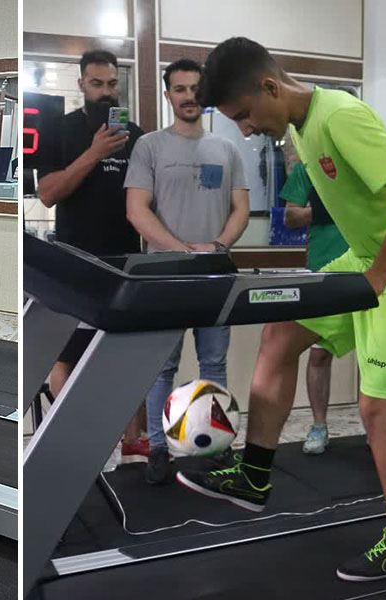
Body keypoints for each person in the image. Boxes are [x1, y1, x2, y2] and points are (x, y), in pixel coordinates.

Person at [176, 37, 386, 582]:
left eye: (245, 115)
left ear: (270, 87)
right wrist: (367, 266)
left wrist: (379, 274)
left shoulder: (340, 116)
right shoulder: (302, 127)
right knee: (281, 331)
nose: (246, 128)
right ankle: (254, 475)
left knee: (376, 409)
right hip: (369, 255)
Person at [125, 58, 250, 484]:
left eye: (196, 88)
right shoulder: (150, 148)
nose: (189, 96)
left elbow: (241, 209)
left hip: (215, 276)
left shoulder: (227, 149)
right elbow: (136, 210)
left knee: (214, 363)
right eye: (180, 89)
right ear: (168, 95)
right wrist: (181, 251)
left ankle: (216, 443)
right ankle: (159, 447)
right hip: (164, 276)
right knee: (162, 366)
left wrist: (215, 249)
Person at [36, 49, 148, 464]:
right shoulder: (59, 129)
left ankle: (134, 444)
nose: (106, 91)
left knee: (127, 357)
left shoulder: (136, 136)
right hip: (74, 263)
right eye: (97, 83)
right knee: (68, 356)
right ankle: (78, 444)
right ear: (81, 84)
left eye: (112, 84)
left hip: (125, 263)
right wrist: (93, 154)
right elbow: (48, 193)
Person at [280, 135, 349, 455]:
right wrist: (324, 208)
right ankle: (319, 426)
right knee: (319, 353)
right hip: (323, 270)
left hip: (369, 271)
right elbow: (291, 216)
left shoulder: (359, 166)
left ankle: (378, 423)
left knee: (373, 355)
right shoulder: (305, 170)